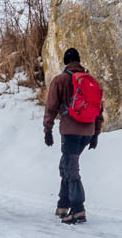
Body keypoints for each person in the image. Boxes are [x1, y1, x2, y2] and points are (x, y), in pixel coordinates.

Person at [43, 47, 103, 225]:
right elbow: (99, 110)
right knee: (66, 165)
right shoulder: (90, 81)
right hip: (88, 132)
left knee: (71, 169)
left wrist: (47, 130)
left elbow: (51, 107)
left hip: (70, 131)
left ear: (65, 61)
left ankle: (78, 209)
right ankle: (63, 203)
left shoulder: (60, 80)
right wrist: (95, 134)